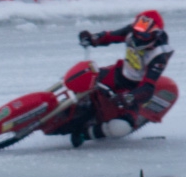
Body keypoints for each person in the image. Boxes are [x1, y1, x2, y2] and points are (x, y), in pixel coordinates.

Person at [72, 10, 173, 147]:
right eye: (137, 31)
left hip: (134, 89)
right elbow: (110, 36)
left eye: (144, 34)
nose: (138, 37)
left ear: (156, 33)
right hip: (117, 73)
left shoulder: (159, 55)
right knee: (83, 78)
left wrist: (129, 97)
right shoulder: (133, 30)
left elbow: (148, 88)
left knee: (120, 127)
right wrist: (92, 38)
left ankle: (86, 134)